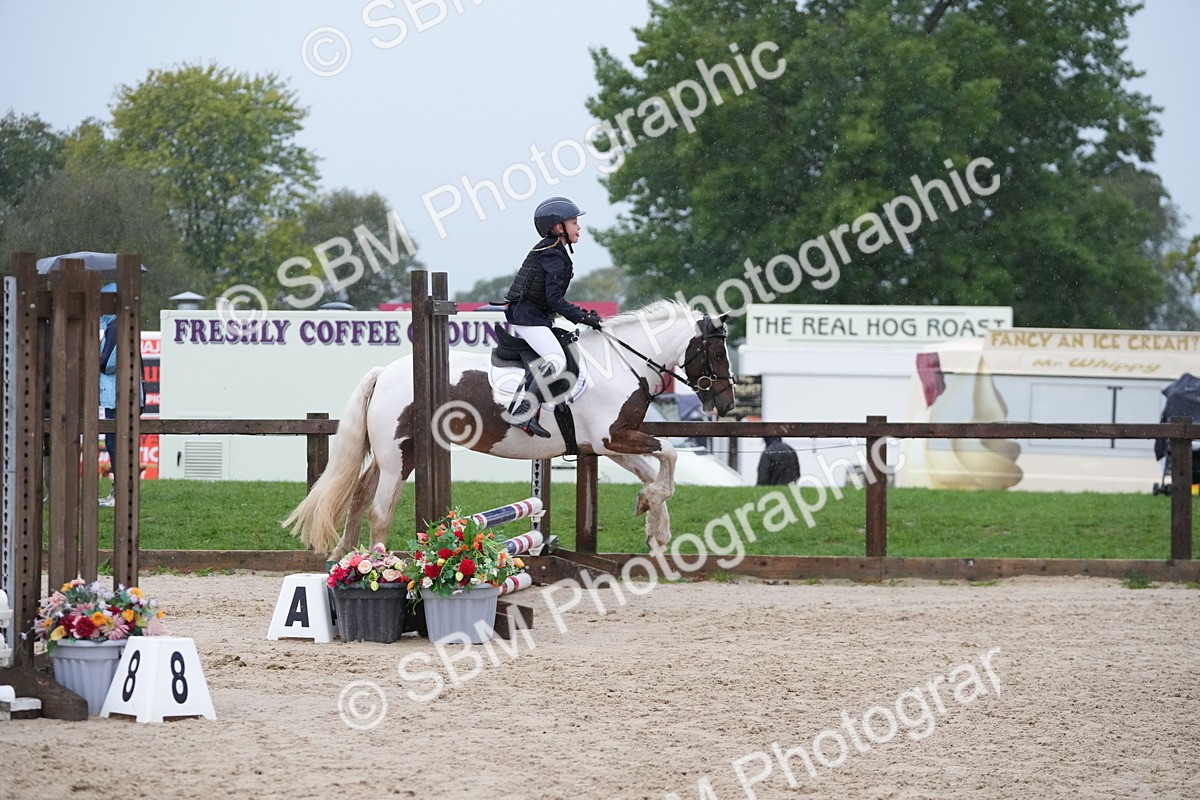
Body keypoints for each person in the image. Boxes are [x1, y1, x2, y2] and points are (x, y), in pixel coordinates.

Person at [503, 196, 603, 437]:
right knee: (556, 360)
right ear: (559, 228)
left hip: (535, 315)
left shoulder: (553, 250)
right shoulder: (553, 254)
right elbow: (554, 300)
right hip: (526, 316)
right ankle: (523, 412)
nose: (578, 227)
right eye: (574, 222)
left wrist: (581, 315)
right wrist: (583, 317)